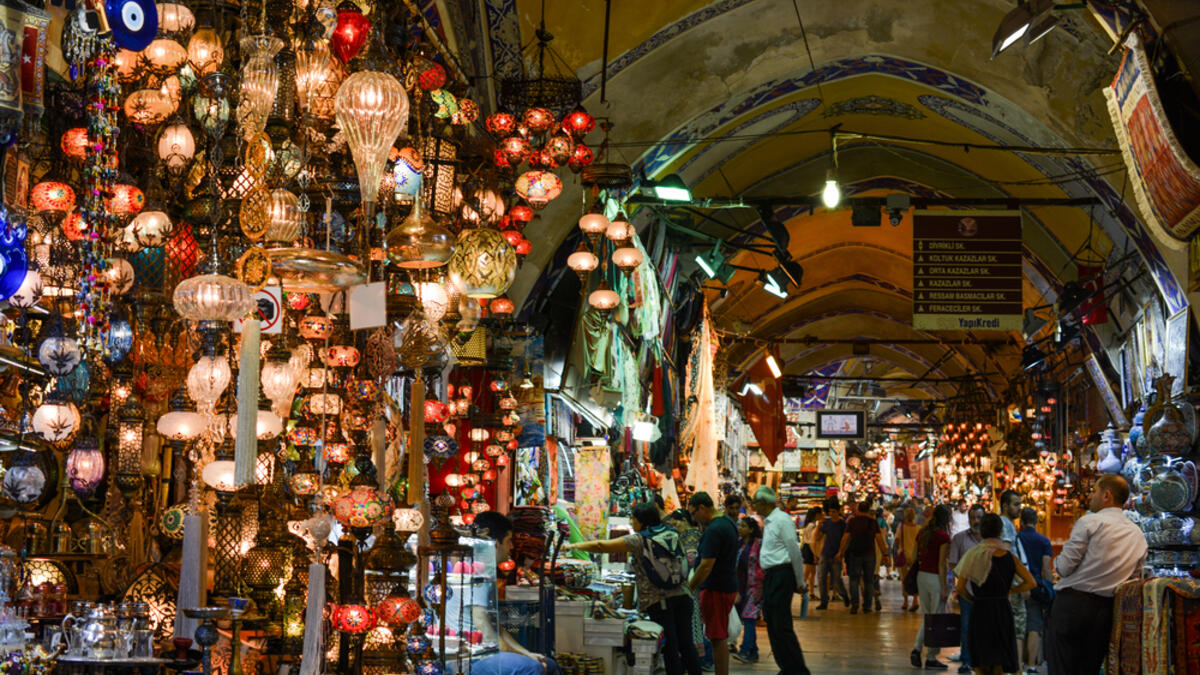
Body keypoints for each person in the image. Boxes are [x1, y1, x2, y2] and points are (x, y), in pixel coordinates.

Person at [562, 502, 700, 675]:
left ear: (641, 521)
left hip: (659, 600)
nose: (632, 522)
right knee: (686, 644)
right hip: (683, 594)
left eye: (633, 519)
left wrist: (573, 546)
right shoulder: (671, 533)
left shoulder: (639, 540)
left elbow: (601, 546)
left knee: (670, 646)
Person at [1045, 475, 1146, 675]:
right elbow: (1134, 581)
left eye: (1095, 492)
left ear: (1106, 495)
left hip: (1073, 606)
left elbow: (1064, 567)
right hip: (1107, 611)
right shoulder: (1138, 535)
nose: (1091, 496)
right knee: (1089, 668)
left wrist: (1055, 562)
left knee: (1062, 666)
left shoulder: (1090, 522)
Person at [470, 512, 561, 674]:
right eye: (509, 541)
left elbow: (498, 629)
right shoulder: (477, 574)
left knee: (549, 664)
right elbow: (489, 636)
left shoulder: (487, 573)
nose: (511, 547)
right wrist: (528, 659)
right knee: (534, 668)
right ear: (496, 544)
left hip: (486, 651)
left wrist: (528, 654)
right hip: (473, 656)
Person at [953, 514, 1038, 675]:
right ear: (1000, 532)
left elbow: (961, 587)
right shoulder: (1009, 557)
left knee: (981, 659)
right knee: (999, 659)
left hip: (981, 609)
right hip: (1002, 609)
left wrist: (973, 599)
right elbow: (1031, 582)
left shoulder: (973, 555)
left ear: (982, 532)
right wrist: (1010, 590)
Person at [750, 486, 811, 675]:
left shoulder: (782, 520)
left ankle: (797, 670)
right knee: (773, 623)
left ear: (764, 503)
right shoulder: (770, 522)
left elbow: (794, 550)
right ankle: (787, 666)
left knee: (781, 625)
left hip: (781, 576)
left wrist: (800, 581)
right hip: (773, 576)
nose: (753, 506)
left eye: (755, 502)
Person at [687, 492, 739, 675]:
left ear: (702, 508)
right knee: (718, 637)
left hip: (716, 589)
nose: (693, 519)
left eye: (694, 514)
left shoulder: (715, 529)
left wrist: (689, 587)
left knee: (717, 638)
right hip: (724, 586)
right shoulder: (726, 523)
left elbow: (706, 565)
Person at [910, 504, 952, 670]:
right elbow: (942, 564)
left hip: (922, 576)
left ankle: (917, 649)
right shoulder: (943, 537)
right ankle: (930, 656)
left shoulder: (922, 533)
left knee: (928, 616)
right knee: (936, 618)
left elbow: (913, 556)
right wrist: (944, 587)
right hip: (935, 578)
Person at [948, 504, 985, 673]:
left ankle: (984, 659)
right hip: (966, 590)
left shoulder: (990, 540)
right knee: (966, 626)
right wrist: (964, 576)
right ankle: (966, 660)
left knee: (985, 626)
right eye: (973, 518)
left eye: (979, 517)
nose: (976, 521)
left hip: (987, 593)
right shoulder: (959, 539)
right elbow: (953, 563)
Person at [835, 500, 888, 614]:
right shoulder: (872, 522)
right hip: (870, 554)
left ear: (858, 509)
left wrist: (840, 552)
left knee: (854, 580)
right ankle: (867, 606)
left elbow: (846, 538)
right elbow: (880, 540)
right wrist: (885, 554)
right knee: (869, 581)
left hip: (855, 554)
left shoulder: (852, 522)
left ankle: (855, 603)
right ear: (868, 510)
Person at [1016, 507, 1052, 674]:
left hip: (1019, 586)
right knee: (1034, 627)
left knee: (1019, 629)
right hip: (1036, 588)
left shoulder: (1017, 539)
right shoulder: (1044, 541)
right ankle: (1031, 665)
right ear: (1037, 521)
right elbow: (1046, 569)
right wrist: (1049, 589)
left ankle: (1018, 667)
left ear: (1021, 521)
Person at [998, 490, 1029, 662]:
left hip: (1011, 583)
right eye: (1016, 504)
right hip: (1014, 584)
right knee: (1017, 627)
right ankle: (1015, 667)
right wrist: (1021, 582)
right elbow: (1008, 554)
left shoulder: (1005, 523)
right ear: (1005, 506)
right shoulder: (1005, 524)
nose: (1019, 508)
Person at [732, 516, 763, 664]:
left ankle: (745, 650)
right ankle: (753, 651)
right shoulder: (738, 544)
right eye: (740, 526)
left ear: (751, 529)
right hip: (742, 587)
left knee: (749, 617)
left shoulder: (758, 544)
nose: (740, 528)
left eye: (743, 526)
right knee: (747, 617)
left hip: (756, 587)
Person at [813, 499, 848, 609]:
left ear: (838, 511)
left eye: (834, 511)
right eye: (830, 512)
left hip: (836, 555)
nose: (831, 514)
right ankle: (824, 602)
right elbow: (817, 538)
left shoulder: (843, 524)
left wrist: (841, 552)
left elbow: (846, 540)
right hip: (825, 553)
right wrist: (819, 525)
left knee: (837, 579)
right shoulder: (826, 523)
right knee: (821, 578)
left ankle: (844, 595)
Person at [897, 507, 920, 611]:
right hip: (915, 556)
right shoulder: (918, 528)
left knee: (904, 579)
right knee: (915, 578)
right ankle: (915, 600)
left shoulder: (901, 527)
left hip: (904, 555)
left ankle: (905, 602)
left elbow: (897, 540)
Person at [801, 507, 822, 600]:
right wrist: (814, 554)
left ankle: (811, 594)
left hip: (807, 548)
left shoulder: (810, 525)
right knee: (807, 573)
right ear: (816, 515)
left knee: (812, 572)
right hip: (809, 549)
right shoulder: (812, 526)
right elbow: (811, 541)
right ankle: (803, 592)